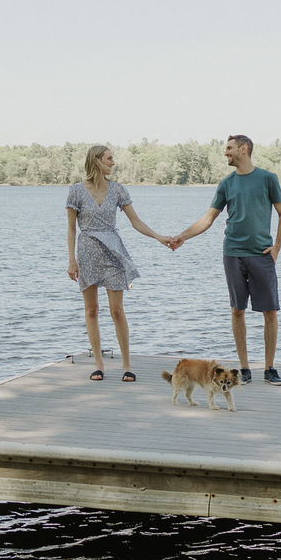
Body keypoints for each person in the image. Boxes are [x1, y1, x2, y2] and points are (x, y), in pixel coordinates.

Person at [172, 134, 281, 384]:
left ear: (243, 149)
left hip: (261, 254)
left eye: (229, 148)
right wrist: (183, 236)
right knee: (237, 310)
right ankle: (245, 369)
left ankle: (269, 368)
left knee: (270, 311)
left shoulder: (268, 179)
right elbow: (207, 219)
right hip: (233, 253)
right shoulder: (226, 184)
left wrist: (276, 247)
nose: (225, 153)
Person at [66, 144, 171, 382]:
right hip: (87, 252)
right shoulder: (75, 191)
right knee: (92, 309)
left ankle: (126, 365)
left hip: (113, 252)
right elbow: (71, 228)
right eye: (109, 158)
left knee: (117, 310)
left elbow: (136, 222)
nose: (113, 162)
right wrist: (72, 260)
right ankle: (99, 365)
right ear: (96, 161)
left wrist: (159, 237)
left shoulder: (118, 190)